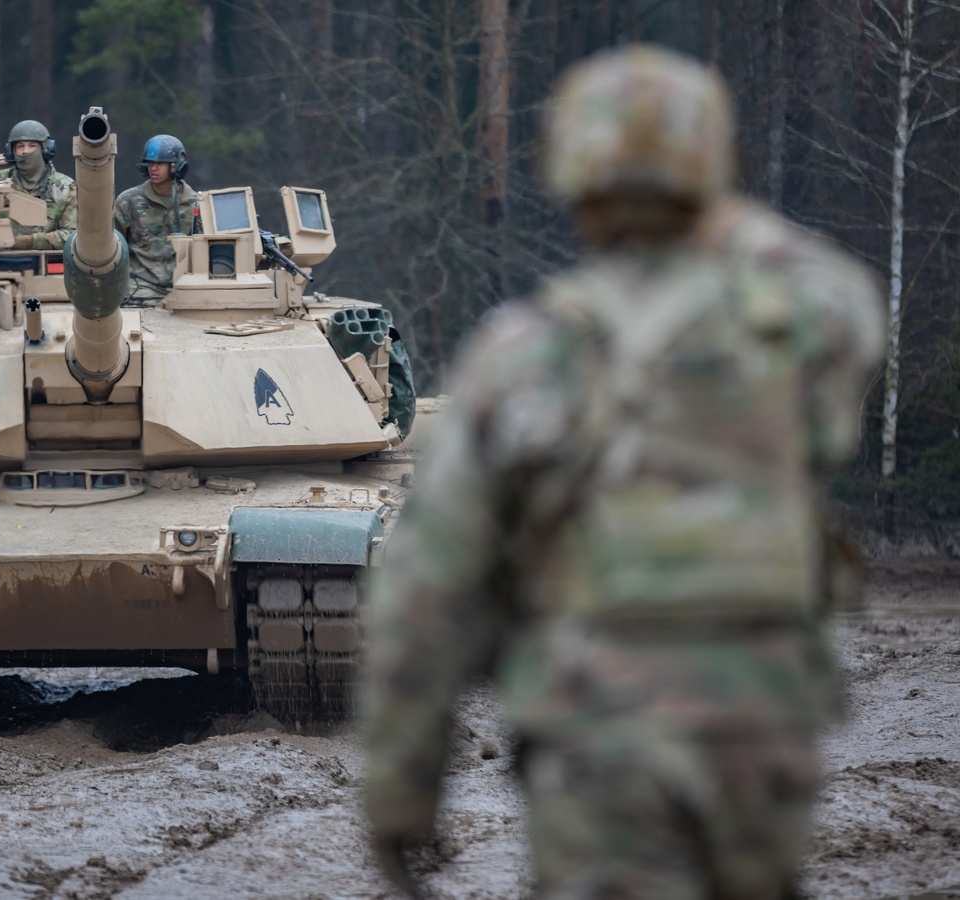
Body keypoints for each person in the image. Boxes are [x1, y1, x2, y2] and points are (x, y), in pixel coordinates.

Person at [364, 45, 884, 899]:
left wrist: (401, 786)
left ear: (571, 174)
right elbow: (849, 303)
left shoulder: (523, 351)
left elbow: (427, 591)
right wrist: (709, 206)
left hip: (594, 729)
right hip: (759, 725)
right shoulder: (791, 329)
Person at [113, 134, 200, 300]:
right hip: (139, 287)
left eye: (160, 163)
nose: (153, 168)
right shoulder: (128, 201)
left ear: (177, 166)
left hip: (186, 286)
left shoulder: (196, 204)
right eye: (150, 163)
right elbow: (113, 246)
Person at [0, 119, 77, 251]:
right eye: (20, 146)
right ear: (11, 151)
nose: (25, 151)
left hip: (44, 263)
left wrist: (31, 241)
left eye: (32, 146)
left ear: (45, 149)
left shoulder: (65, 187)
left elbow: (72, 236)